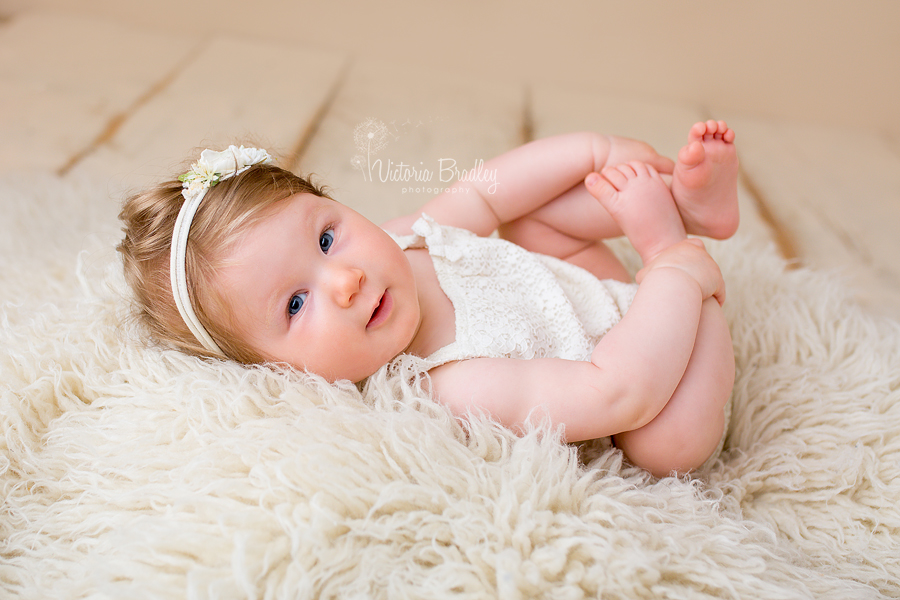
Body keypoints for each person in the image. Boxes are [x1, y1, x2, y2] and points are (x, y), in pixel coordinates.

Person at [118, 120, 739, 477]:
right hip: (644, 351)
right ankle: (677, 254)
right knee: (667, 446)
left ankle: (689, 204)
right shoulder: (448, 386)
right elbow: (616, 390)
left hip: (573, 280)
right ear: (277, 372)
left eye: (328, 236)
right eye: (295, 305)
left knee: (531, 220)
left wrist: (591, 152)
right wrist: (665, 274)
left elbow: (489, 192)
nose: (345, 280)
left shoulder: (401, 242)